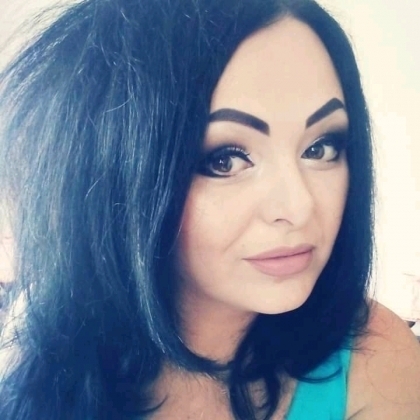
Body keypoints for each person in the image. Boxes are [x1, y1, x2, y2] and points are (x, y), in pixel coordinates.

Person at [0, 0, 419, 418]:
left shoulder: (375, 355)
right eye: (225, 160)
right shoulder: (32, 358)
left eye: (320, 148)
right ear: (112, 176)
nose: (299, 207)